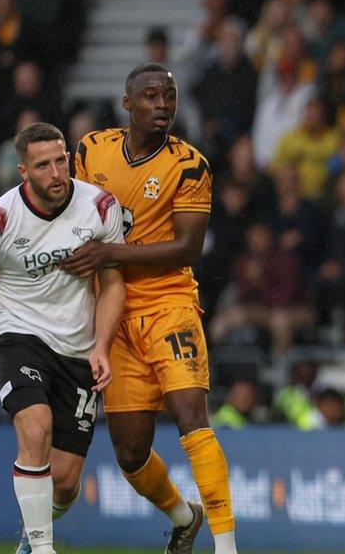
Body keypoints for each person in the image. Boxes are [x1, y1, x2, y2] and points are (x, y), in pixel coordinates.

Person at [59, 63, 239, 554]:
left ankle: (227, 547)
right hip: (111, 315)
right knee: (132, 454)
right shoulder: (91, 150)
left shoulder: (190, 165)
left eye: (170, 97)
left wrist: (111, 252)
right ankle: (184, 516)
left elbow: (187, 248)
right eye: (151, 97)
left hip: (169, 304)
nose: (162, 105)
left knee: (191, 419)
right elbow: (69, 217)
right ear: (128, 104)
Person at [0, 123, 125, 554]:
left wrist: (101, 345)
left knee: (64, 484)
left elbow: (114, 285)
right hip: (19, 334)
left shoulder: (100, 207)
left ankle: (33, 535)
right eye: (43, 165)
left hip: (78, 347)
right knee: (36, 429)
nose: (56, 172)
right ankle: (44, 550)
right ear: (23, 171)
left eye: (61, 160)